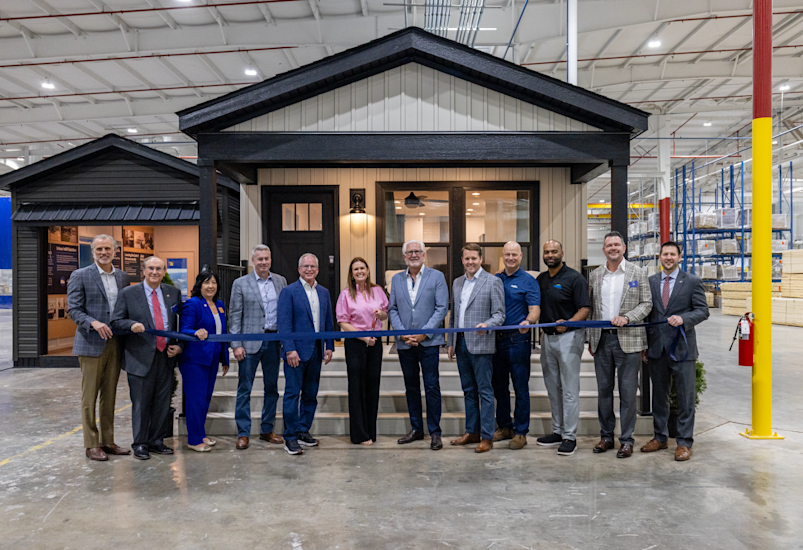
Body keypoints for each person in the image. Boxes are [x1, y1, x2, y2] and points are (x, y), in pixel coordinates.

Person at [641, 241, 709, 461]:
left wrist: (684, 319)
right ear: (659, 257)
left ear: (680, 257)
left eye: (672, 254)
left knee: (685, 398)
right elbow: (646, 315)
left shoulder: (692, 282)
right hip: (657, 349)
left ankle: (684, 442)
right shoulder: (650, 282)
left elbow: (702, 310)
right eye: (665, 254)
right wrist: (645, 345)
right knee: (659, 397)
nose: (668, 257)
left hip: (682, 349)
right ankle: (660, 438)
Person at [111, 256, 183, 460]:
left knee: (162, 401)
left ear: (164, 271)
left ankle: (156, 441)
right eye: (151, 268)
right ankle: (140, 443)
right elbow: (116, 321)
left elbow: (179, 325)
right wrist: (130, 325)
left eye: (159, 269)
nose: (155, 272)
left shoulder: (173, 293)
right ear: (143, 271)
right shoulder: (128, 293)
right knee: (141, 404)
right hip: (140, 357)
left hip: (166, 356)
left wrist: (179, 346)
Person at [587, 231, 652, 458]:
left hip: (629, 340)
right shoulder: (595, 275)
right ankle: (606, 437)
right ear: (604, 250)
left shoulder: (638, 273)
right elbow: (592, 309)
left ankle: (626, 439)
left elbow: (647, 304)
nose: (613, 248)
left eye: (616, 244)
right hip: (602, 340)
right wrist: (590, 337)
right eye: (609, 245)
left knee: (627, 393)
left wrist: (628, 318)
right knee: (604, 392)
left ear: (624, 248)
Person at [67, 235, 131, 461]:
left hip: (116, 341)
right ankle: (91, 443)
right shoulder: (80, 275)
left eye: (108, 248)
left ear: (115, 251)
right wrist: (92, 322)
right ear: (93, 251)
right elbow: (73, 309)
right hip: (91, 342)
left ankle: (108, 440)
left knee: (110, 394)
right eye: (99, 249)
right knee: (89, 396)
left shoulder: (123, 277)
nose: (104, 252)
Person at [388, 240, 449, 451]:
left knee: (432, 387)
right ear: (404, 257)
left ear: (424, 255)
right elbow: (392, 309)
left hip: (429, 342)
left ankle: (435, 432)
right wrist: (404, 334)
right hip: (405, 344)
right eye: (409, 252)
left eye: (417, 251)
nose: (413, 255)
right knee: (411, 387)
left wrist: (423, 333)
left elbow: (442, 308)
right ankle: (416, 429)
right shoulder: (396, 279)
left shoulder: (437, 277)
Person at [447, 244, 506, 453]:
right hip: (461, 343)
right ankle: (471, 431)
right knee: (468, 390)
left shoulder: (493, 282)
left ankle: (487, 436)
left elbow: (500, 314)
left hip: (481, 343)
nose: (470, 262)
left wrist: (487, 325)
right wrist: (451, 342)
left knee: (485, 391)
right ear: (462, 260)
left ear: (480, 259)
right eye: (466, 259)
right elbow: (454, 315)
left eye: (474, 258)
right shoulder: (457, 282)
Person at [228, 244, 287, 450]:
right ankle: (243, 433)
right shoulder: (240, 283)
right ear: (253, 261)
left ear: (271, 260)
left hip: (273, 342)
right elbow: (234, 315)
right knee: (245, 389)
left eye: (266, 259)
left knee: (272, 388)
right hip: (249, 343)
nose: (263, 262)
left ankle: (266, 429)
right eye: (259, 259)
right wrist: (236, 344)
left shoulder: (280, 281)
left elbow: (284, 313)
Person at [536, 240, 590, 456]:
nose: (550, 255)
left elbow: (585, 309)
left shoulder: (574, 278)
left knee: (569, 389)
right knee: (553, 388)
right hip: (547, 339)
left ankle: (570, 436)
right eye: (546, 252)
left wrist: (568, 323)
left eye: (554, 251)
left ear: (562, 253)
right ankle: (557, 431)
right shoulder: (541, 279)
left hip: (569, 337)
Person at [278, 253, 334, 456]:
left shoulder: (324, 292)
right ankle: (290, 437)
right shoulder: (289, 292)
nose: (309, 269)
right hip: (296, 353)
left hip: (316, 351)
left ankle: (303, 430)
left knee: (310, 395)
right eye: (305, 266)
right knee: (293, 395)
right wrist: (289, 349)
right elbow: (284, 324)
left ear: (318, 269)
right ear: (299, 268)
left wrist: (329, 345)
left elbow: (328, 320)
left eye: (313, 266)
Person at [491, 241, 540, 450]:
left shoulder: (529, 281)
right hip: (495, 341)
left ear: (521, 256)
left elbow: (535, 309)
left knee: (520, 387)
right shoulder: (494, 279)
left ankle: (521, 432)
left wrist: (528, 321)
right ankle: (504, 426)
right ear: (503, 255)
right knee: (499, 387)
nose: (510, 258)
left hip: (517, 340)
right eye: (507, 254)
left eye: (514, 254)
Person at [336, 257, 389, 445]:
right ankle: (359, 434)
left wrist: (381, 315)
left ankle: (371, 431)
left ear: (368, 270)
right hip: (355, 343)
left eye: (362, 268)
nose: (359, 271)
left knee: (372, 386)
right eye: (355, 269)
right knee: (357, 387)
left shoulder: (378, 291)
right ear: (351, 273)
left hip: (375, 342)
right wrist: (363, 337)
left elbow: (385, 313)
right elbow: (343, 322)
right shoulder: (345, 294)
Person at [178, 269, 230, 452]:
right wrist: (195, 332)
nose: (210, 286)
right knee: (195, 400)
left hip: (213, 358)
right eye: (206, 282)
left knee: (205, 399)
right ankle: (193, 439)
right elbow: (184, 328)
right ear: (199, 285)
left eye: (214, 282)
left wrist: (225, 358)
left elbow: (221, 334)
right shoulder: (193, 304)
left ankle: (200, 434)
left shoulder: (220, 305)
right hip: (195, 360)